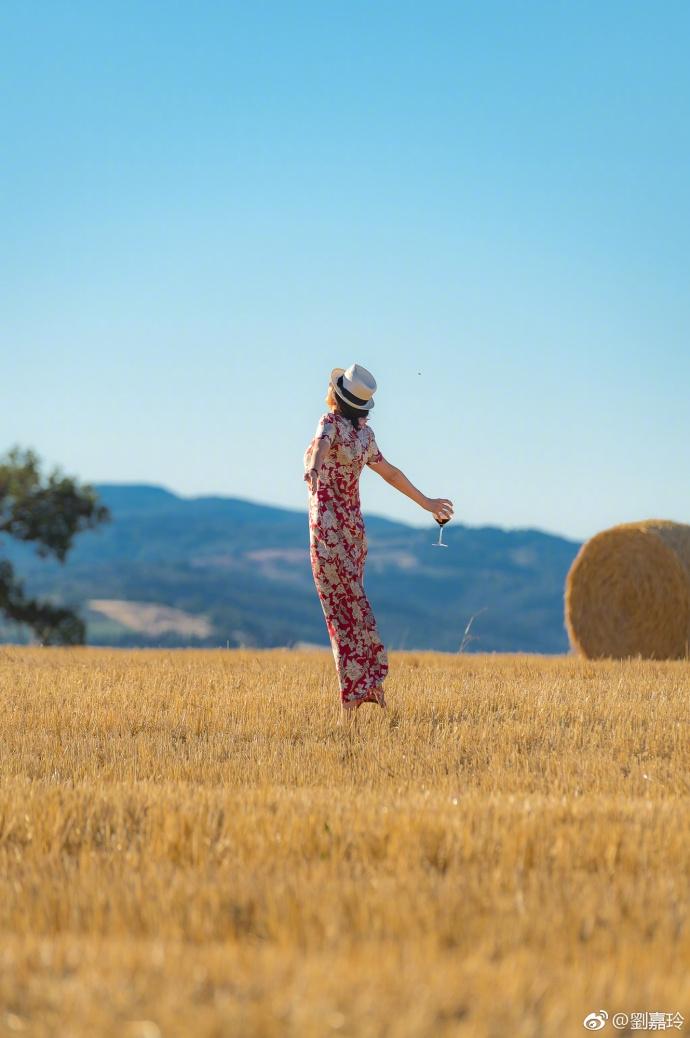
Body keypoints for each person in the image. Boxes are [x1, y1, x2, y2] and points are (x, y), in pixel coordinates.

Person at [303, 363, 454, 725]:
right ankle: (369, 687)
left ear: (336, 396)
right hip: (354, 533)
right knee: (354, 610)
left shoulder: (331, 424)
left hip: (328, 534)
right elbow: (391, 473)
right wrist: (428, 503)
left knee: (340, 616)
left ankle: (353, 700)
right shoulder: (364, 436)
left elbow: (320, 448)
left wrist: (312, 468)